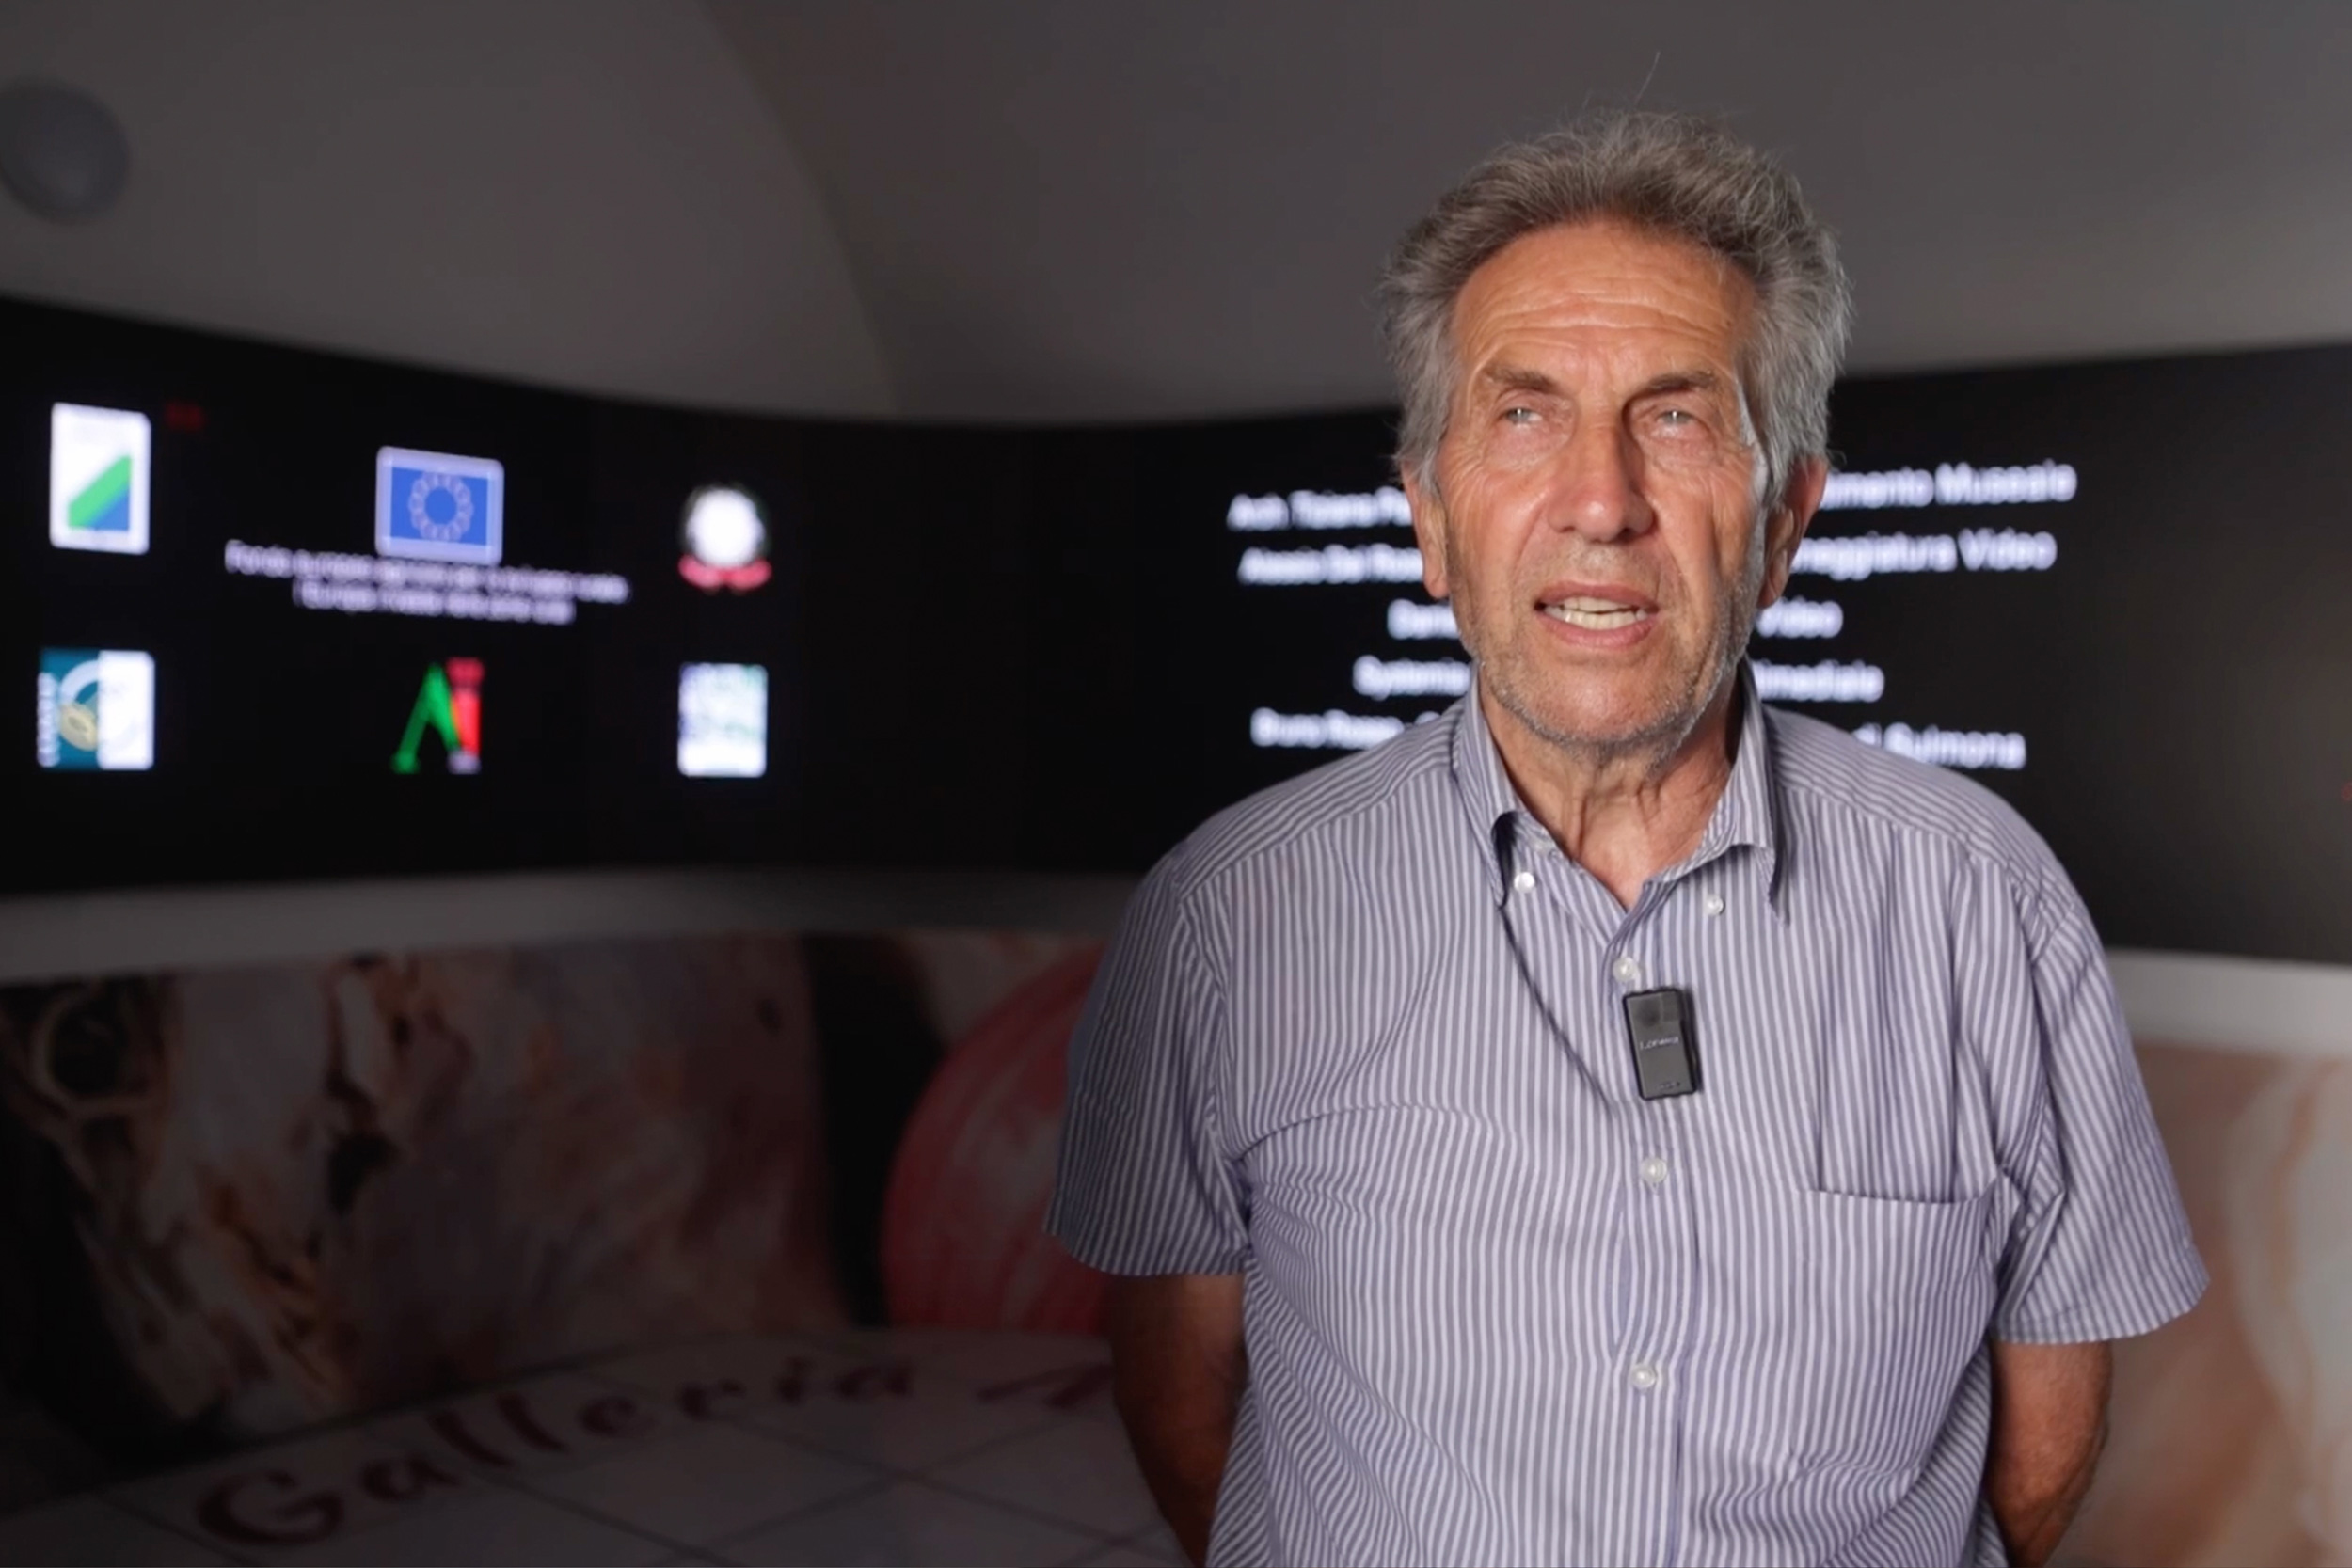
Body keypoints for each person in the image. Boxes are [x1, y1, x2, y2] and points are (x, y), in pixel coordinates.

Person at [1047, 109, 2204, 1568]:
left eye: (1676, 417)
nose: (1601, 504)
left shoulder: (1988, 905)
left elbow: (2044, 1433)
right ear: (1430, 518)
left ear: (1783, 523)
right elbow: (1181, 1394)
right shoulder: (1224, 918)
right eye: (1523, 415)